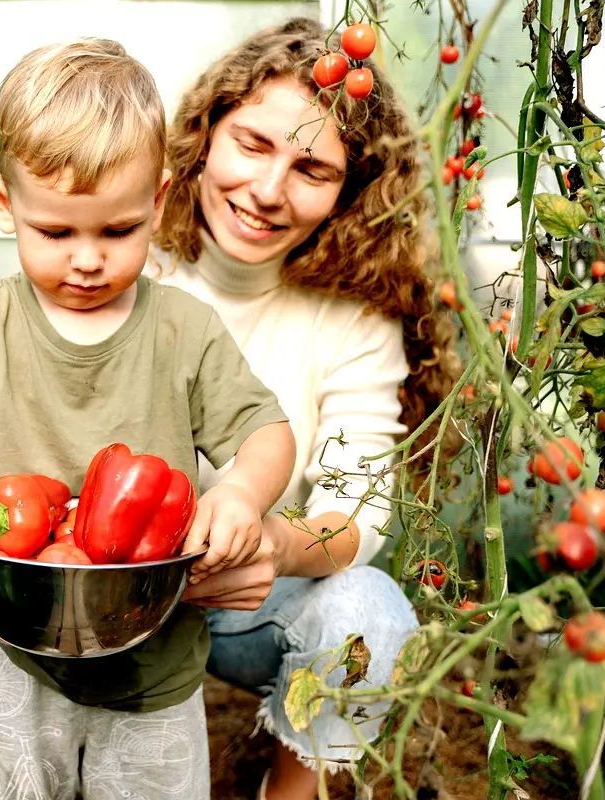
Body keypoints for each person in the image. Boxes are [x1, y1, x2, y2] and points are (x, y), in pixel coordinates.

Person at [0, 38, 296, 798]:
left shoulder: (184, 331)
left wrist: (240, 496)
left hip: (153, 665)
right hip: (8, 652)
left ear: (158, 203)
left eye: (118, 231)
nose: (88, 259)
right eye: (57, 233)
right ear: (6, 205)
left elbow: (267, 432)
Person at [147, 17, 461, 800]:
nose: (267, 191)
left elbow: (359, 508)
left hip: (252, 601)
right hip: (115, 592)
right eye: (252, 144)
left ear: (347, 195)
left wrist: (275, 548)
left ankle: (294, 787)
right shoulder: (127, 256)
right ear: (207, 132)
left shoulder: (353, 318)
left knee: (370, 611)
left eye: (311, 168)